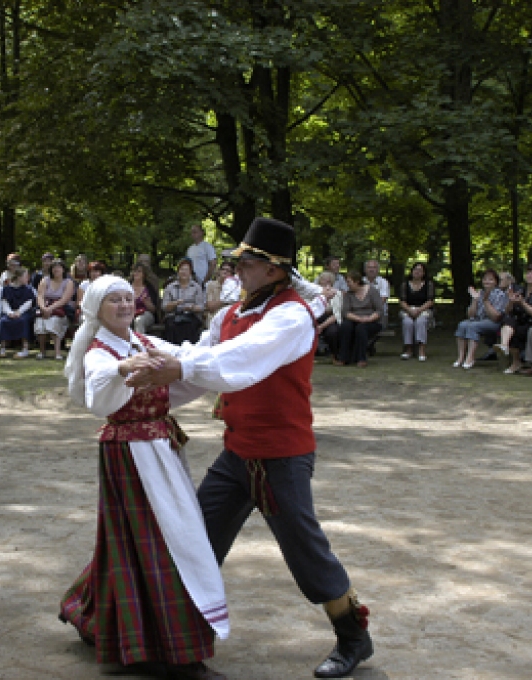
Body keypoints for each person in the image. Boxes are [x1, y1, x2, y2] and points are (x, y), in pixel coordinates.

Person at [127, 218, 374, 679]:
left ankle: (354, 637)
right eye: (237, 261)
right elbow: (198, 358)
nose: (236, 269)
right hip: (238, 452)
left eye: (246, 262)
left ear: (274, 270)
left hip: (282, 455)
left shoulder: (289, 317)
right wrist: (139, 365)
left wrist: (178, 367)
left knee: (305, 552)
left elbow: (237, 361)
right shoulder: (231, 315)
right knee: (197, 541)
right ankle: (177, 642)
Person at [59, 274, 230, 680]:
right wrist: (123, 366)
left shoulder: (144, 341)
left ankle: (95, 616)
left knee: (137, 542)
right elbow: (99, 381)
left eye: (127, 298)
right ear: (97, 308)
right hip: (130, 455)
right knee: (159, 541)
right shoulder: (100, 351)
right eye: (114, 300)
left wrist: (225, 324)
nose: (123, 305)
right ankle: (173, 651)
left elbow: (189, 356)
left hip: (160, 451)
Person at [497, 264, 532, 374]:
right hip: (519, 321)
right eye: (528, 273)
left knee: (516, 329)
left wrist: (522, 303)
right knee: (508, 319)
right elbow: (507, 311)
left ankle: (514, 358)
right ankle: (504, 346)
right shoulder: (520, 290)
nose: (529, 275)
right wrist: (511, 301)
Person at [452, 269, 507, 369]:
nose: (487, 281)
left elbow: (496, 317)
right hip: (478, 320)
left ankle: (470, 358)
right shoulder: (480, 292)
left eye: (490, 279)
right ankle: (461, 357)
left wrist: (485, 301)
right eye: (485, 279)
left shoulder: (500, 294)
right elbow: (470, 315)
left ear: (496, 282)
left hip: (493, 323)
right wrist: (475, 299)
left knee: (473, 326)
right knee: (462, 325)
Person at [333, 269, 385, 368]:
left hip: (372, 320)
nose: (347, 284)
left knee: (361, 328)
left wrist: (369, 319)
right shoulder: (349, 294)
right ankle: (343, 357)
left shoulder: (372, 291)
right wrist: (359, 319)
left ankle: (361, 358)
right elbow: (345, 312)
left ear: (356, 281)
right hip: (355, 319)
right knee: (345, 326)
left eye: (349, 282)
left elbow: (379, 310)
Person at [34, 259, 73, 360]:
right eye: (54, 267)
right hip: (45, 306)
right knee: (40, 321)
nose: (56, 269)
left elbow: (64, 299)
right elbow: (40, 296)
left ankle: (57, 352)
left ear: (63, 269)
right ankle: (42, 351)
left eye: (59, 267)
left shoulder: (68, 282)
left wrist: (50, 308)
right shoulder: (45, 280)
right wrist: (43, 308)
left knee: (54, 321)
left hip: (61, 309)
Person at [162, 258, 206, 344]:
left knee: (189, 326)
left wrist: (192, 308)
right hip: (173, 315)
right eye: (182, 269)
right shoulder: (170, 287)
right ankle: (173, 349)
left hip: (191, 315)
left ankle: (189, 350)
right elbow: (164, 307)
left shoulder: (196, 287)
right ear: (178, 271)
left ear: (190, 272)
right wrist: (175, 303)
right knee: (172, 326)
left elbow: (201, 307)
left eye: (186, 270)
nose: (184, 272)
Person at [399, 262, 434, 361]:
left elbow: (430, 301)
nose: (417, 272)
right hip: (408, 309)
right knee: (407, 322)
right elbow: (402, 301)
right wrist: (410, 310)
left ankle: (421, 350)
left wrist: (419, 310)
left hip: (424, 309)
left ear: (424, 273)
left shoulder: (428, 285)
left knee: (421, 321)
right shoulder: (405, 285)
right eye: (415, 270)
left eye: (420, 270)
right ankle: (408, 350)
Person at [0, 267, 35, 358]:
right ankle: (2, 348)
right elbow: (4, 302)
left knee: (23, 321)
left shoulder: (28, 289)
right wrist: (9, 312)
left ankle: (25, 349)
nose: (28, 279)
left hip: (23, 312)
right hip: (9, 312)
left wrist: (19, 312)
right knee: (3, 321)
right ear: (19, 277)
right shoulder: (7, 289)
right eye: (25, 276)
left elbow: (29, 303)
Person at [315, 271, 343, 360]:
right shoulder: (313, 292)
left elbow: (337, 314)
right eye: (323, 280)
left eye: (328, 281)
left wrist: (321, 327)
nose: (326, 282)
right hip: (315, 318)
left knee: (332, 332)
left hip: (330, 319)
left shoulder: (337, 294)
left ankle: (334, 355)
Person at [130, 262, 160, 334]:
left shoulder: (149, 288)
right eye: (134, 271)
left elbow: (154, 310)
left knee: (139, 320)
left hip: (145, 314)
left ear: (144, 274)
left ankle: (139, 341)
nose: (136, 273)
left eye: (139, 271)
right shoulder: (127, 286)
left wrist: (147, 303)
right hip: (129, 313)